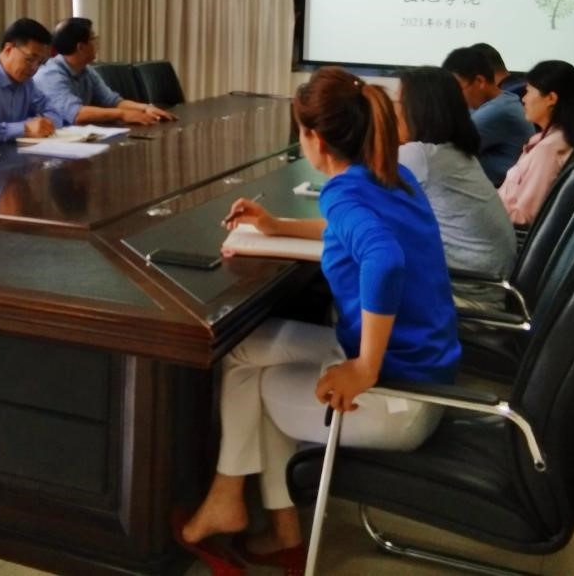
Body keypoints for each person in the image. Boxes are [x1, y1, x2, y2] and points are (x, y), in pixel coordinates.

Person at [178, 67, 459, 572]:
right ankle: (261, 518)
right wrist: (276, 226)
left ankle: (239, 509)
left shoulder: (343, 192)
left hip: (401, 393)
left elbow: (383, 258)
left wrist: (364, 367)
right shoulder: (393, 176)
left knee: (260, 382)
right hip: (426, 367)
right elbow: (350, 231)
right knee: (243, 349)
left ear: (314, 139)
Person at [394, 67, 517, 311]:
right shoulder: (455, 151)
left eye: (397, 102)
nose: (392, 111)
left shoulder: (421, 156)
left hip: (466, 303)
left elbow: (359, 198)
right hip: (488, 291)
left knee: (347, 297)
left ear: (417, 110)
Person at [33, 18, 176, 126]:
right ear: (81, 47)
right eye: (93, 39)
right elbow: (76, 114)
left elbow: (113, 101)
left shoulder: (86, 70)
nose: (96, 44)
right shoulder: (49, 75)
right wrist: (123, 114)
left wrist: (146, 108)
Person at [498, 59, 574, 226]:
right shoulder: (556, 137)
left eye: (528, 92)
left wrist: (484, 208)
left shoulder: (548, 150)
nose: (523, 99)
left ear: (551, 98)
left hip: (501, 227)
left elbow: (524, 216)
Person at [443, 46, 532, 186]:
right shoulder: (501, 101)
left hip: (502, 191)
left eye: (457, 89)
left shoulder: (499, 111)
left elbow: (447, 149)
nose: (455, 96)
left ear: (480, 82)